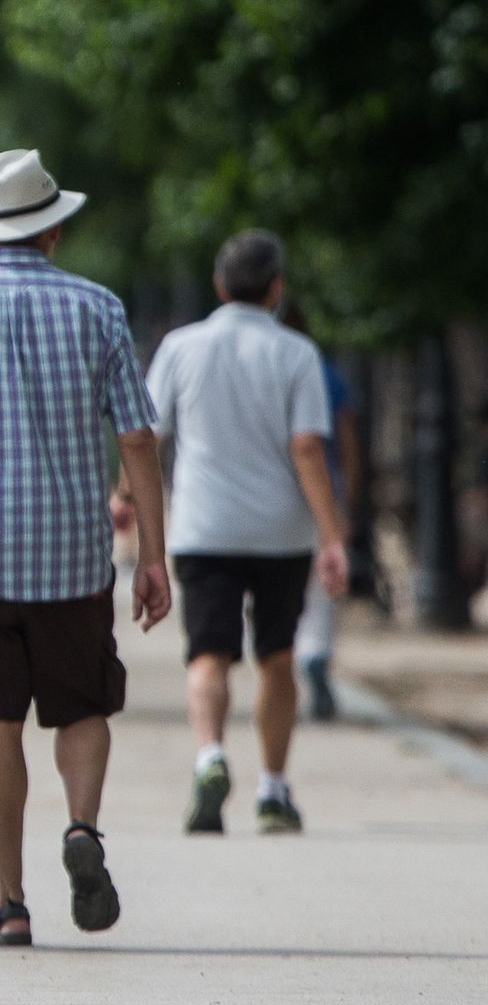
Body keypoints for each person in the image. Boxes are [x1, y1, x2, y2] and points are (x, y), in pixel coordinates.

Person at [0, 149, 172, 948]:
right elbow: (139, 440)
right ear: (52, 229)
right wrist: (153, 556)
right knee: (82, 710)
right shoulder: (98, 308)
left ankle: (10, 902)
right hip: (76, 556)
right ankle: (83, 828)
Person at [144, 230, 350, 833]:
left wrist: (127, 497)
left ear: (218, 285)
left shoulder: (181, 346)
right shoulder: (295, 353)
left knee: (208, 656)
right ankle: (273, 788)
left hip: (203, 526)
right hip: (279, 533)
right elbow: (308, 448)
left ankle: (210, 756)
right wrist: (332, 537)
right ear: (277, 288)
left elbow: (147, 435)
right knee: (277, 658)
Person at [283, 297, 364, 722]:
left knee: (279, 587)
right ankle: (316, 652)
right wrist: (345, 499)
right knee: (323, 585)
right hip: (321, 490)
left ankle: (293, 656)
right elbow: (346, 443)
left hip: (271, 493)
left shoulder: (263, 370)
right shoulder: (324, 372)